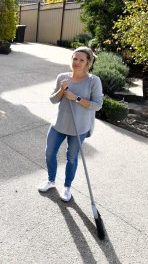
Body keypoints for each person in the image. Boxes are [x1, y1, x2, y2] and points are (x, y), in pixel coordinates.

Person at [38, 46, 103, 202]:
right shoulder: (62, 77)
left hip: (79, 127)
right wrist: (61, 90)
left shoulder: (93, 81)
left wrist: (77, 98)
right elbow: (53, 100)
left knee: (72, 158)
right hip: (59, 124)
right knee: (49, 153)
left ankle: (67, 187)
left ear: (88, 63)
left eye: (81, 60)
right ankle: (51, 180)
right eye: (75, 58)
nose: (77, 62)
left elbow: (97, 105)